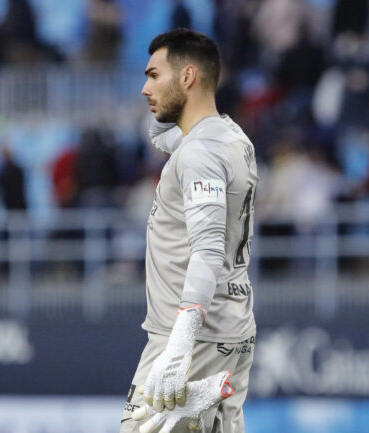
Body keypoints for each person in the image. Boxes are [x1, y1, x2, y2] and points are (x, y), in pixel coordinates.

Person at [120, 29, 258, 433]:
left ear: (188, 77)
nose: (145, 89)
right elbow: (166, 135)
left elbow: (208, 250)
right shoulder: (233, 138)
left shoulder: (199, 153)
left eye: (153, 75)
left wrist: (179, 347)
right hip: (229, 325)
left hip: (192, 339)